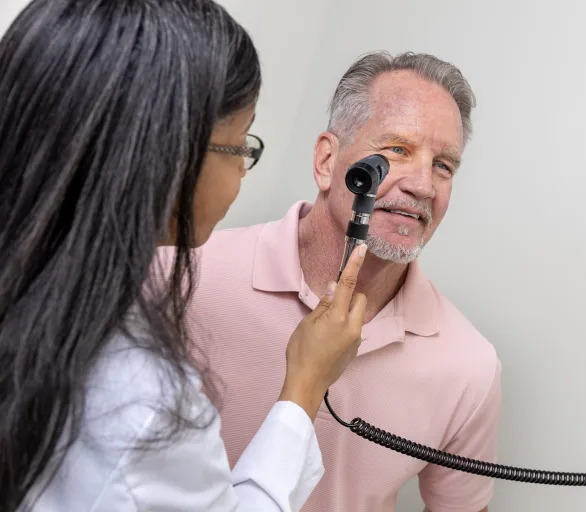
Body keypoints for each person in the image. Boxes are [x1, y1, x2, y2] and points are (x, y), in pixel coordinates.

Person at [0, 1, 369, 511]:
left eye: (444, 165)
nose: (244, 171)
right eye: (241, 146)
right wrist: (306, 387)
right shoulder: (140, 401)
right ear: (167, 153)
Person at [190, 51, 503, 511]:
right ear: (326, 160)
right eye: (397, 149)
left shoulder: (470, 366)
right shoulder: (190, 274)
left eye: (444, 166)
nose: (424, 185)